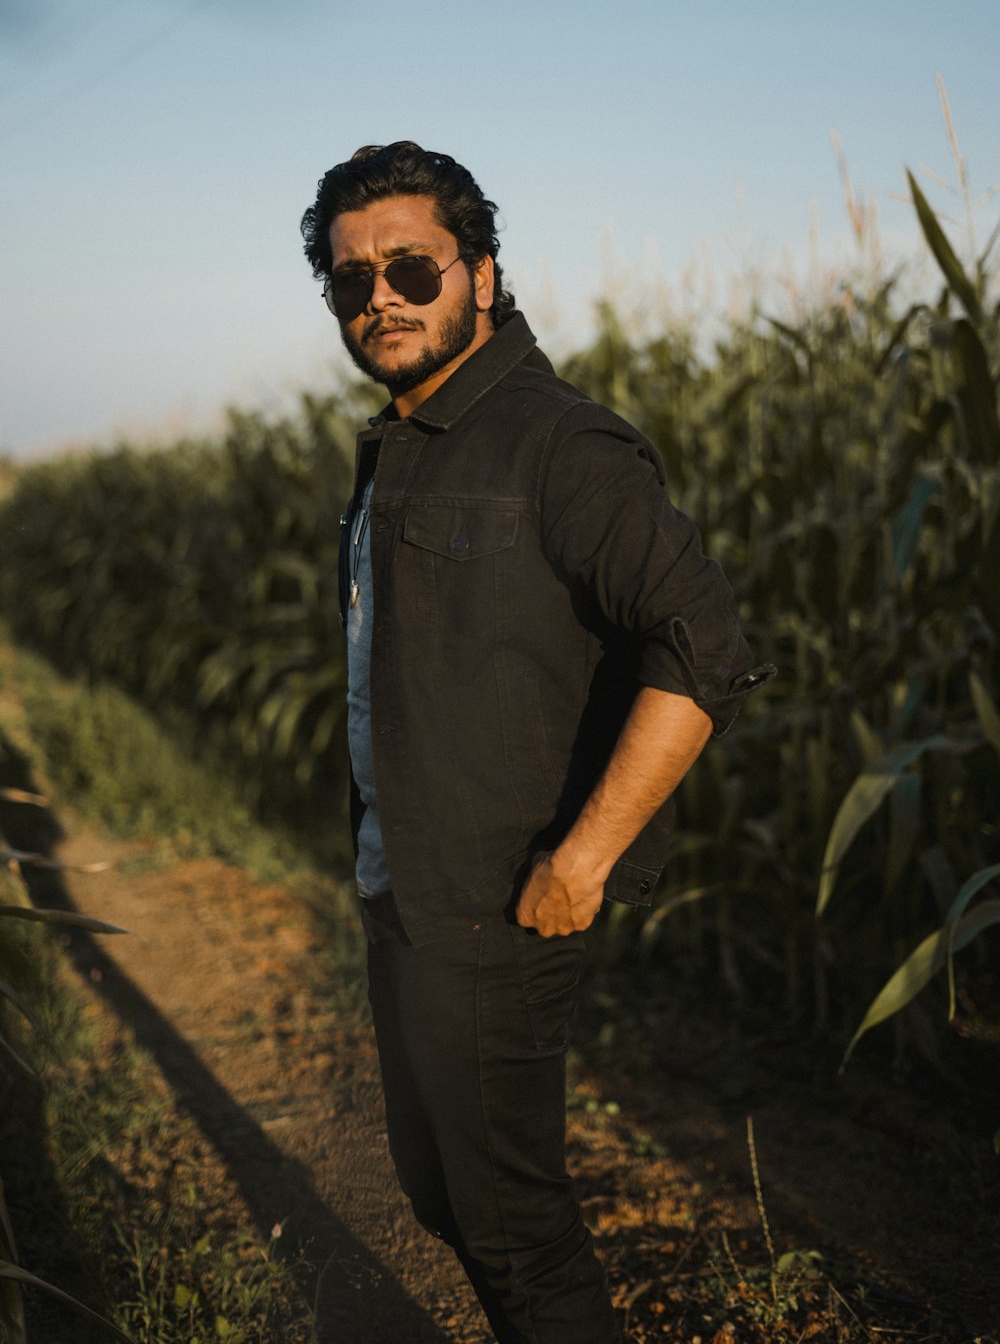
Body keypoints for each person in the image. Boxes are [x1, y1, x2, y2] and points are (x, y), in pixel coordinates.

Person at [300, 142, 771, 1343]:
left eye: (412, 267)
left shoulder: (558, 443)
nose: (383, 299)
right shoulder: (408, 440)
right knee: (439, 1190)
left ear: (484, 276)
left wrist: (584, 857)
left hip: (498, 907)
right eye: (352, 280)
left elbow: (702, 645)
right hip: (405, 887)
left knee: (514, 1228)